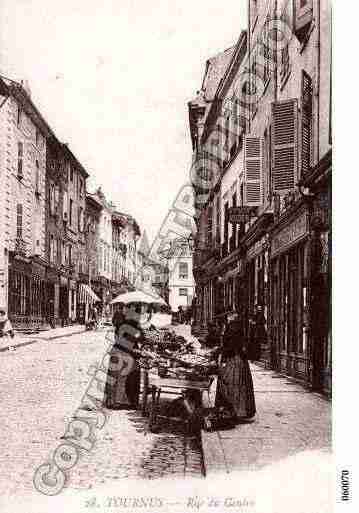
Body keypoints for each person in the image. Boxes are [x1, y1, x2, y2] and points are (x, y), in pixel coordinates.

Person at [104, 302, 151, 410]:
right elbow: (139, 338)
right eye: (139, 313)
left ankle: (112, 401)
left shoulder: (121, 320)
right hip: (126, 354)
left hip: (117, 351)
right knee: (125, 377)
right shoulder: (132, 323)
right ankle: (124, 402)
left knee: (115, 377)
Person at [215, 312, 256, 422]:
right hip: (238, 359)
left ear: (231, 317)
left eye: (228, 317)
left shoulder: (232, 329)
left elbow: (231, 346)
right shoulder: (234, 327)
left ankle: (236, 412)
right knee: (238, 386)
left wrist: (221, 352)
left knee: (233, 385)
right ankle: (239, 411)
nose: (227, 318)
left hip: (234, 360)